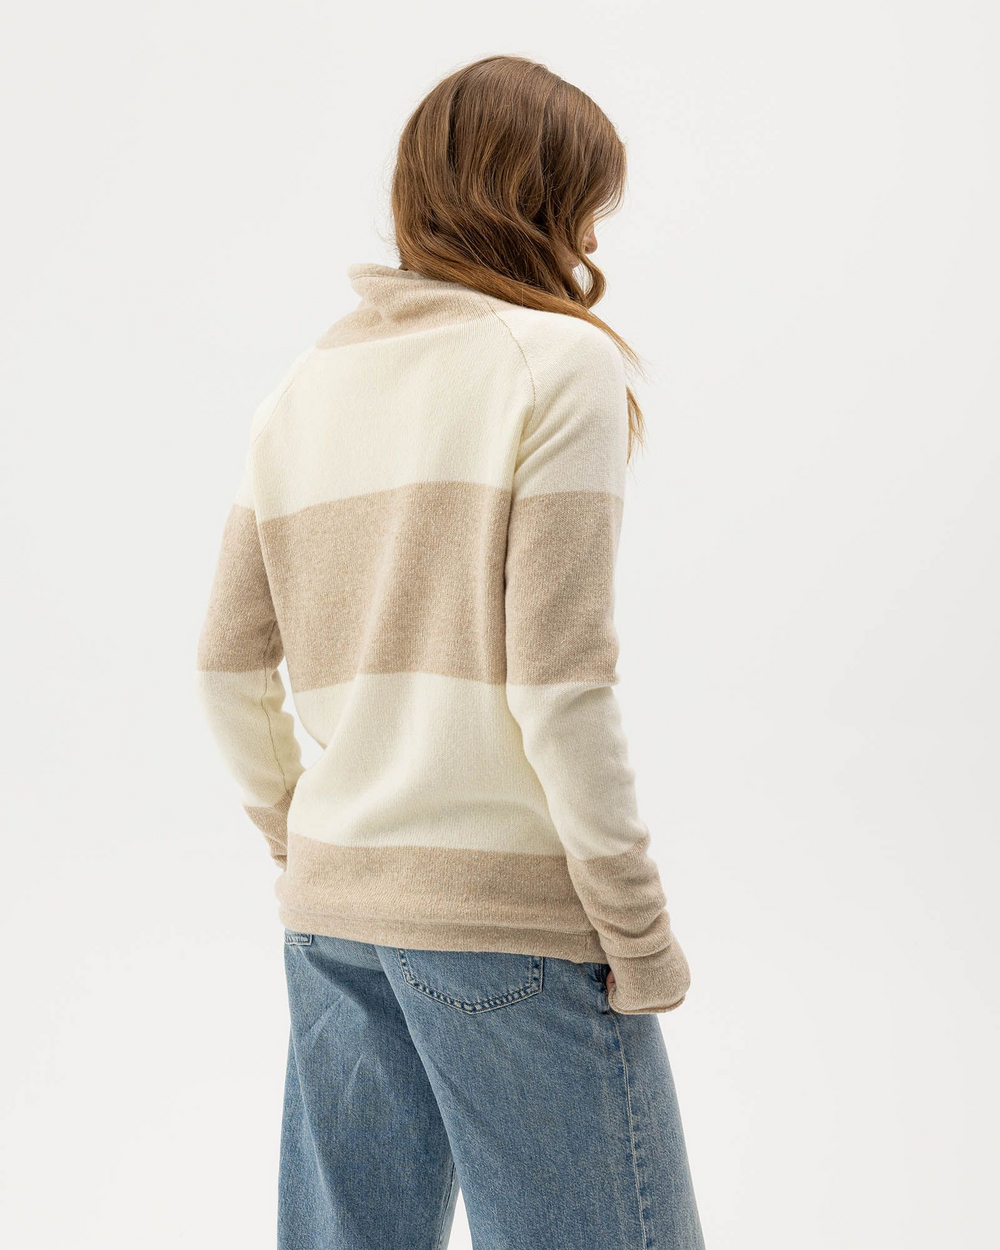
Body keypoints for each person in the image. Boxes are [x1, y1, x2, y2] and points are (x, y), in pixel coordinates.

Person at [196, 53, 705, 1250]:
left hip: (333, 913)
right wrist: (638, 932)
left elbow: (224, 664)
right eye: (586, 204)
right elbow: (560, 686)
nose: (592, 236)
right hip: (506, 921)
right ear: (542, 199)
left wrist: (308, 838)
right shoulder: (558, 362)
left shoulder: (304, 386)